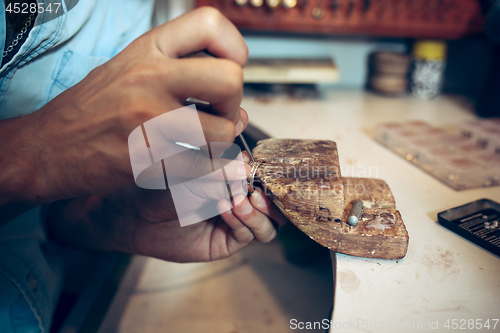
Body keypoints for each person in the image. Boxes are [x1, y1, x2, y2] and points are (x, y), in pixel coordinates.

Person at [0, 2, 286, 332]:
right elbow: (50, 161)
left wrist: (116, 216)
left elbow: (44, 216)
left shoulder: (134, 11)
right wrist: (39, 155)